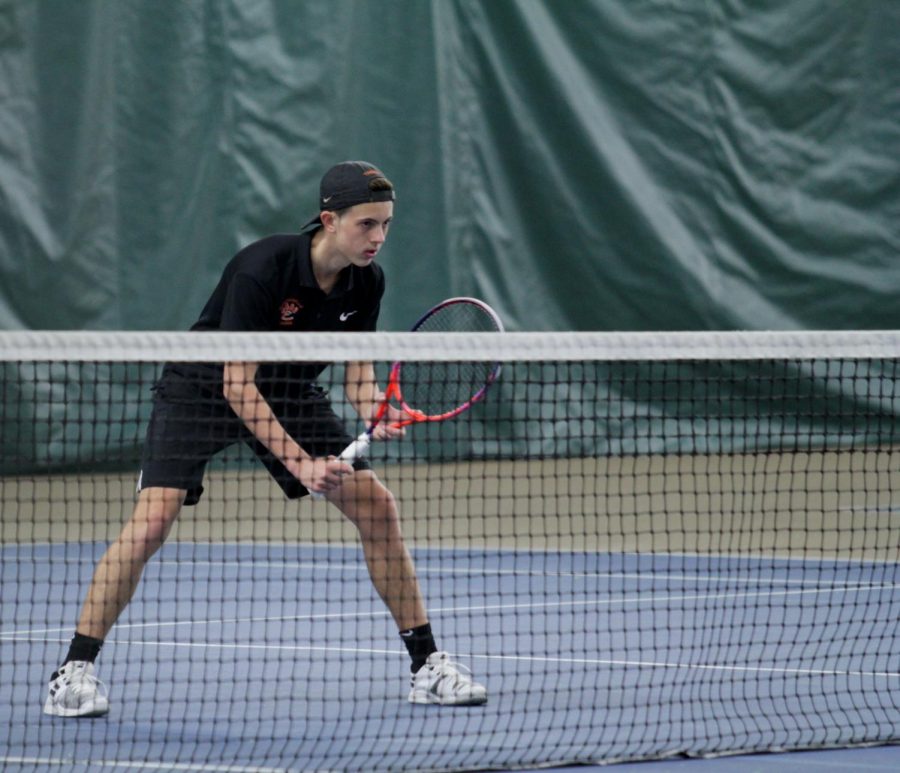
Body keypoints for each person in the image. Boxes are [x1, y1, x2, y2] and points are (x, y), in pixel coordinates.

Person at [44, 161, 487, 718]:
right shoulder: (263, 267)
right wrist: (302, 464)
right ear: (329, 219)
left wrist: (379, 408)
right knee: (154, 519)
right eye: (366, 225)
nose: (378, 238)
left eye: (386, 225)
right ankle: (73, 670)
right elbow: (237, 382)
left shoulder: (366, 280)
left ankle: (426, 666)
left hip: (289, 390)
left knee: (377, 507)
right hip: (203, 387)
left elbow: (357, 374)